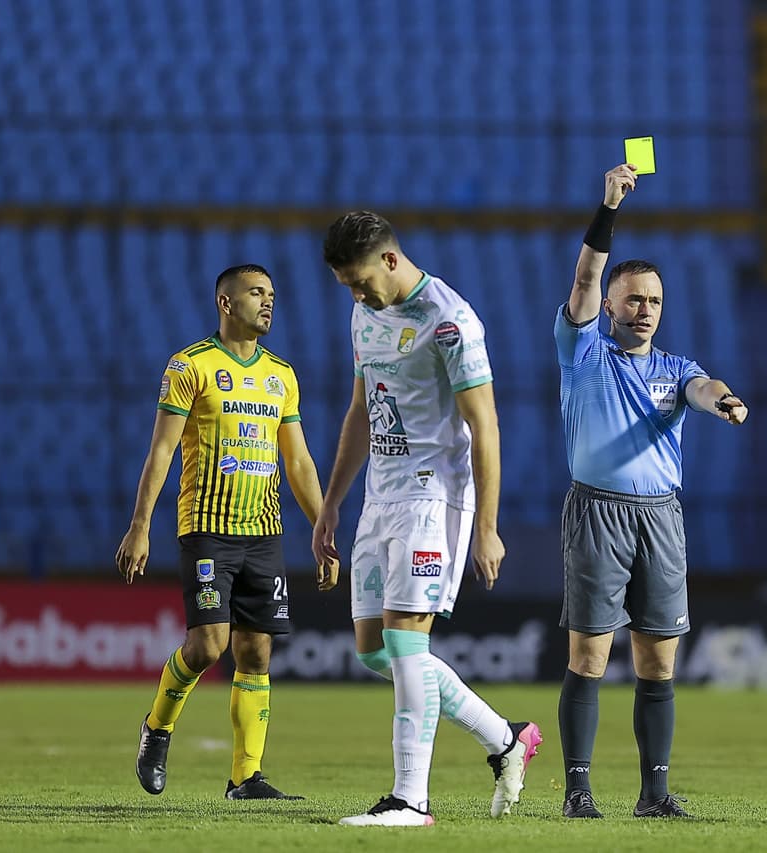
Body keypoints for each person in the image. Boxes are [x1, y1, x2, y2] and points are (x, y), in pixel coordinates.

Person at [312, 211, 542, 828]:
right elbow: (361, 408)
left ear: (390, 260)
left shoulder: (450, 320)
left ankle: (410, 799)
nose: (356, 296)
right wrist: (333, 500)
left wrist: (487, 526)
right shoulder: (366, 314)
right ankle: (504, 737)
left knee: (409, 645)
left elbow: (484, 424)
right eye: (346, 288)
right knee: (373, 651)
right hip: (379, 499)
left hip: (433, 496)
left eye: (360, 282)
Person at [554, 164, 749, 820]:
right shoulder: (583, 351)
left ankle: (654, 793)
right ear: (609, 304)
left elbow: (700, 386)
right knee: (588, 654)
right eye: (633, 299)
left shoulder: (675, 369)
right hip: (597, 512)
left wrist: (721, 399)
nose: (644, 311)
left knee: (657, 662)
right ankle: (578, 787)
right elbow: (583, 276)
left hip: (660, 516)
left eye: (654, 301)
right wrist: (608, 208)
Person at [117, 264, 338, 800]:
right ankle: (158, 728)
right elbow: (162, 451)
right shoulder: (190, 366)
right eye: (256, 293)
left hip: (264, 531)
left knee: (256, 652)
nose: (268, 302)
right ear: (225, 301)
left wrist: (323, 527)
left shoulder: (280, 375)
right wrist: (140, 526)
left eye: (272, 294)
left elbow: (299, 461)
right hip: (207, 529)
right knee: (207, 646)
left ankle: (246, 777)